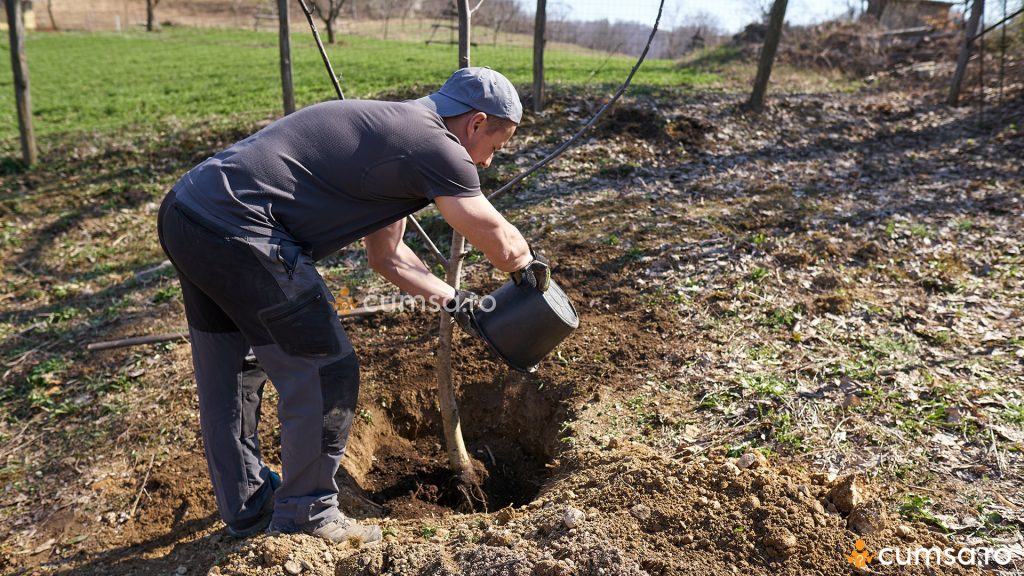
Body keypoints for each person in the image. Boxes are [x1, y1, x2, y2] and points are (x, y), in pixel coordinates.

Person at [156, 67, 551, 544]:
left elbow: (387, 258)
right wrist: (529, 269)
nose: (488, 163)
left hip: (189, 213)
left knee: (233, 368)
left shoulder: (397, 136)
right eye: (496, 146)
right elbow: (500, 240)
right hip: (242, 230)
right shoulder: (438, 146)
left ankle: (249, 508)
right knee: (328, 369)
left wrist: (457, 301)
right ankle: (307, 516)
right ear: (475, 123)